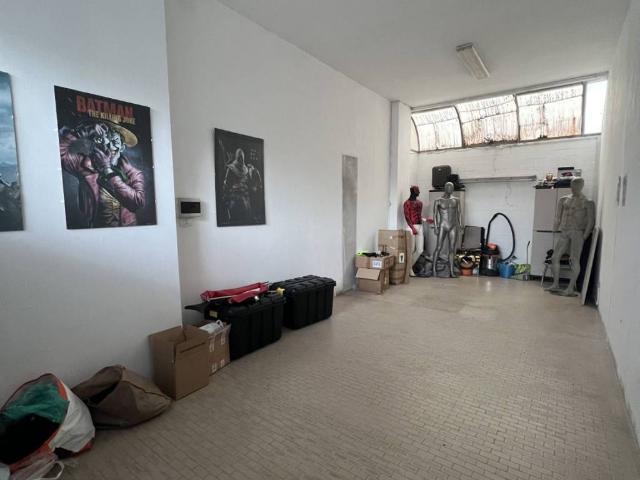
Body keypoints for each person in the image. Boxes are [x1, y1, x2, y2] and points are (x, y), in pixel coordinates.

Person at [60, 121, 145, 228]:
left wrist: (107, 169)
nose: (108, 146)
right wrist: (85, 130)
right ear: (95, 144)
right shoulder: (82, 164)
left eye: (114, 141)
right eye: (102, 140)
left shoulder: (133, 173)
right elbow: (58, 152)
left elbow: (137, 203)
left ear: (122, 147)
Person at [545, 177, 595, 296]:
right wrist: (555, 227)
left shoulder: (588, 202)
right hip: (565, 230)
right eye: (572, 185)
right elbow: (558, 216)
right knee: (555, 257)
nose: (573, 188)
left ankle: (570, 288)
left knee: (574, 260)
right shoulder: (564, 199)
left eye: (576, 186)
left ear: (581, 186)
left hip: (577, 232)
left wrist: (585, 235)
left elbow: (591, 221)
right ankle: (555, 284)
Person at [432, 182, 462, 278]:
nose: (451, 189)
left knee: (452, 249)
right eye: (449, 187)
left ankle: (452, 271)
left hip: (453, 225)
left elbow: (459, 213)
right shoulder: (438, 201)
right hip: (443, 225)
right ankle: (433, 269)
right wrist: (435, 227)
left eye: (452, 187)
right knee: (438, 247)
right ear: (445, 188)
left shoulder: (456, 200)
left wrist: (461, 225)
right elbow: (434, 215)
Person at [403, 186, 425, 276]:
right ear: (413, 192)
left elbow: (419, 215)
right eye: (417, 191)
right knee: (411, 250)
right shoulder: (406, 203)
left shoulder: (420, 203)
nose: (419, 193)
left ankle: (408, 267)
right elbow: (407, 216)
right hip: (411, 227)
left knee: (420, 250)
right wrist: (412, 228)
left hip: (420, 226)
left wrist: (426, 220)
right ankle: (409, 269)